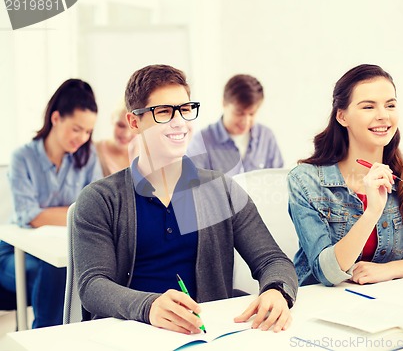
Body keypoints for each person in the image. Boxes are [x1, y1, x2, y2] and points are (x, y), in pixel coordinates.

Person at [72, 64, 298, 335]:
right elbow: (93, 286)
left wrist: (276, 291)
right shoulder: (100, 199)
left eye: (185, 109)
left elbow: (273, 260)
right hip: (131, 333)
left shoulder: (222, 190)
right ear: (134, 122)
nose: (179, 121)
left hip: (208, 333)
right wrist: (148, 306)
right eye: (164, 112)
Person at [287, 64, 403, 287]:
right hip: (318, 302)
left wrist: (390, 270)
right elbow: (326, 273)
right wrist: (372, 212)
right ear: (342, 117)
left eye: (390, 105)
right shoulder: (305, 181)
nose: (383, 116)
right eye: (368, 107)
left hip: (381, 304)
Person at [0, 79, 103, 328]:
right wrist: (76, 213)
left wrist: (53, 214)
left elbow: (97, 209)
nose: (82, 137)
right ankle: (44, 337)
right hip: (16, 253)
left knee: (71, 269)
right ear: (56, 118)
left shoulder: (88, 158)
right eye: (77, 129)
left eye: (88, 131)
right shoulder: (22, 157)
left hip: (63, 250)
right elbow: (30, 215)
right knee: (54, 271)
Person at [187, 74, 283, 176]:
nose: (245, 121)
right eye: (239, 113)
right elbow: (192, 186)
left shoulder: (266, 137)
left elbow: (278, 180)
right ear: (224, 103)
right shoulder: (201, 142)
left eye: (252, 114)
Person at [95, 102, 138, 176]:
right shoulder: (93, 151)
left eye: (132, 128)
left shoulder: (146, 156)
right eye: (121, 125)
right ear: (112, 119)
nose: (126, 134)